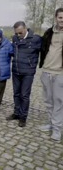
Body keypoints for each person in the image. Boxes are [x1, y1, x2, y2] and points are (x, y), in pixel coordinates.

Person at [6, 21, 41, 127]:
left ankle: (23, 117)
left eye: (20, 33)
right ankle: (16, 113)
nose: (18, 35)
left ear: (25, 28)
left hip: (28, 72)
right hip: (16, 70)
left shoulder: (36, 39)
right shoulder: (15, 38)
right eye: (16, 33)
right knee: (16, 94)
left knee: (24, 95)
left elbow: (45, 51)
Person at [39, 8, 63, 142]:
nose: (62, 20)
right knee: (48, 101)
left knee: (59, 102)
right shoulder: (49, 32)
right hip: (46, 71)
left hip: (60, 73)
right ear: (56, 18)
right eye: (60, 17)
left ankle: (57, 130)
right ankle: (51, 123)